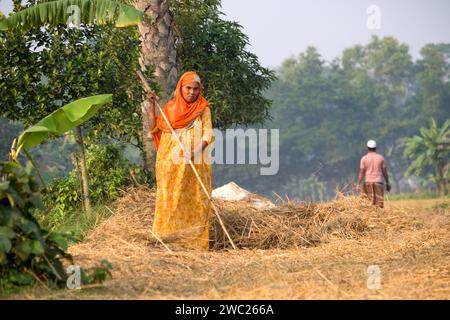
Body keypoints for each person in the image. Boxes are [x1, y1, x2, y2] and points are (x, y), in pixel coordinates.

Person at [146, 71, 215, 250]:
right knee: (169, 200)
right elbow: (154, 128)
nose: (191, 92)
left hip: (195, 165)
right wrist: (152, 106)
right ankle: (165, 241)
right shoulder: (169, 108)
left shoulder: (203, 109)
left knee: (197, 202)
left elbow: (208, 134)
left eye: (195, 89)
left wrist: (194, 151)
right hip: (169, 164)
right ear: (180, 88)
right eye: (188, 88)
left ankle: (193, 244)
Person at [356, 140, 391, 208]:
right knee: (379, 204)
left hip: (367, 183)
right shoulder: (381, 158)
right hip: (378, 183)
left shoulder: (364, 158)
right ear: (375, 148)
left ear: (367, 148)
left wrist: (358, 184)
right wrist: (387, 183)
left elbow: (361, 172)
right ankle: (378, 217)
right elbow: (385, 173)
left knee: (366, 204)